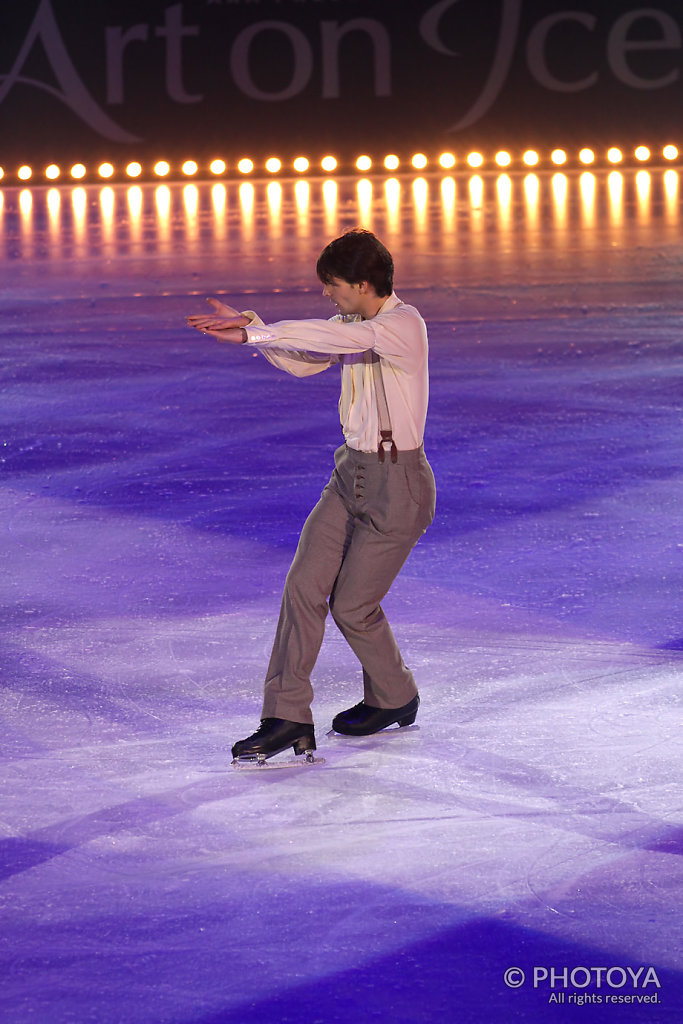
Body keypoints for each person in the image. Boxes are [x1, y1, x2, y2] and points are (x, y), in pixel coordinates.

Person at [186, 228, 435, 762]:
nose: (328, 294)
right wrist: (253, 330)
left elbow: (344, 342)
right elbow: (307, 356)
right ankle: (286, 716)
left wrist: (261, 332)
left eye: (333, 285)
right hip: (350, 477)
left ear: (363, 284)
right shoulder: (349, 323)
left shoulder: (401, 325)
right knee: (303, 586)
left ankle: (395, 695)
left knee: (352, 605)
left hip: (398, 485)